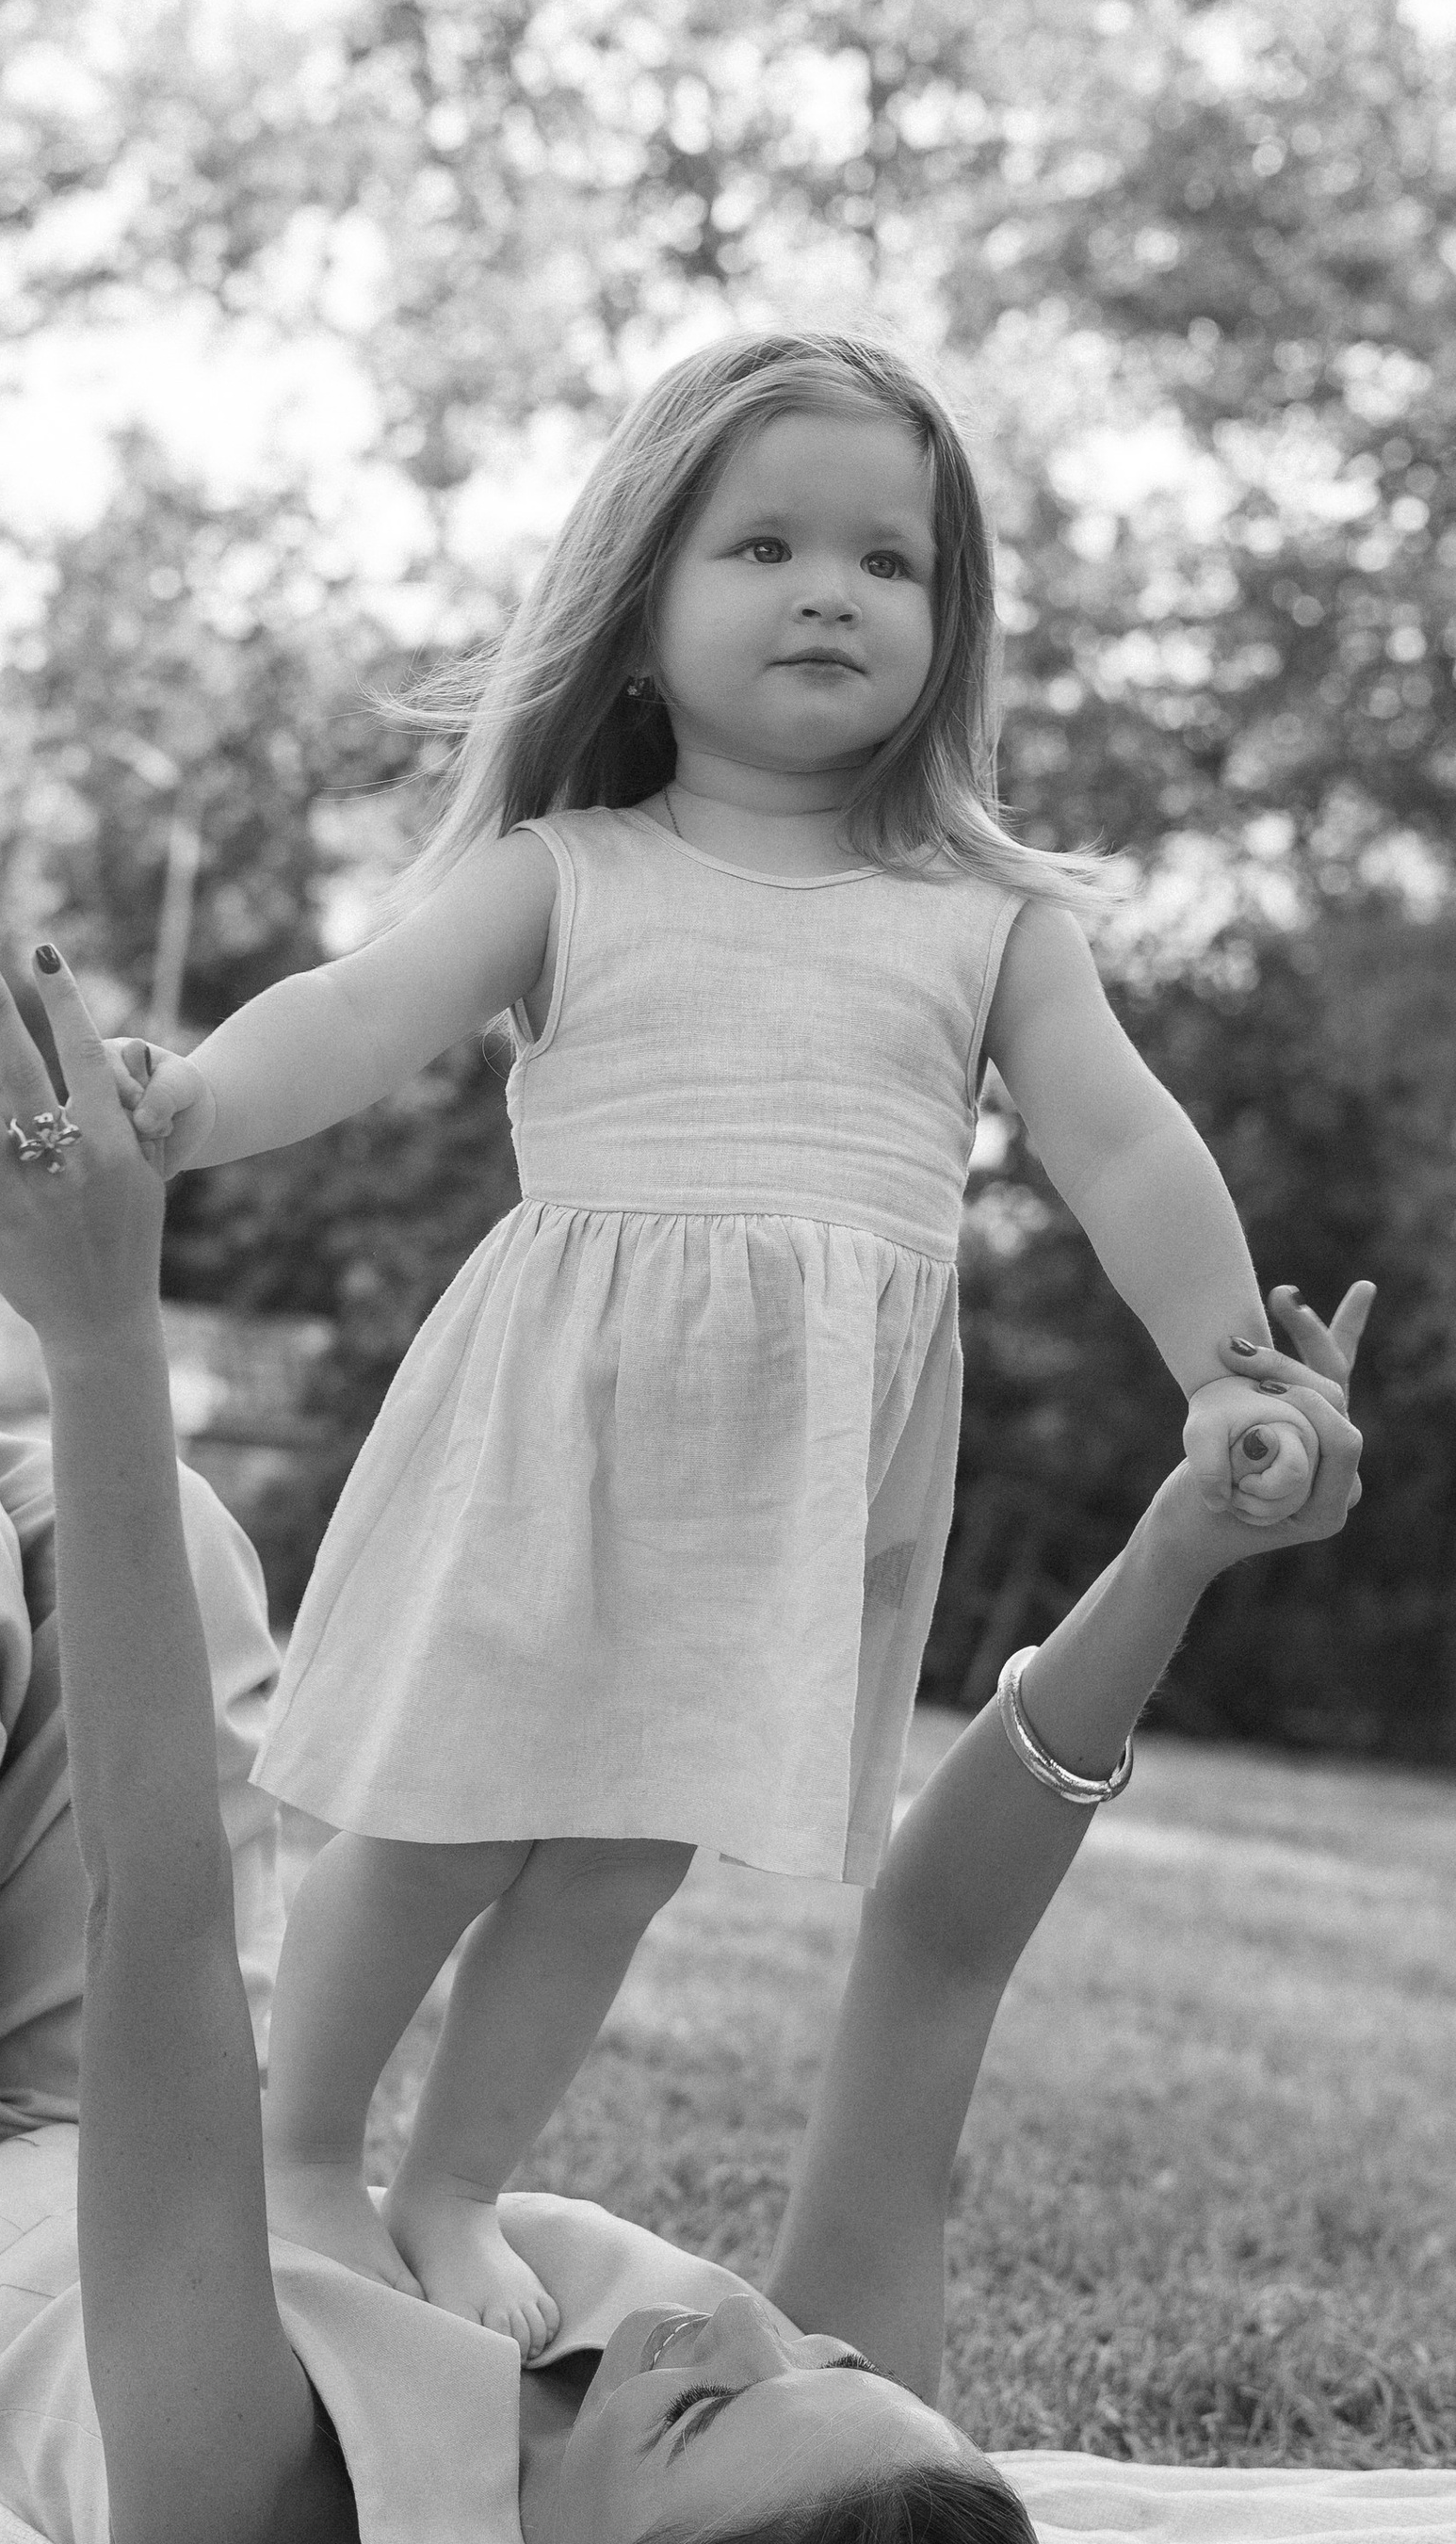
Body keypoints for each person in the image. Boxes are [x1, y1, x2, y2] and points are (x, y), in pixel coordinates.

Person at [0, 707, 1367, 2544]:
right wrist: (1181, 1549)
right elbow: (937, 1958)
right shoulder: (841, 2479)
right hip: (44, 2134)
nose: (724, 2322)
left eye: (703, 2407)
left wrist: (100, 1329)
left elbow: (169, 1904)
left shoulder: (251, 2516)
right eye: (822, 2357)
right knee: (169, 1555)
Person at [122, 329, 1318, 2356]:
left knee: (616, 1862)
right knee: (435, 1819)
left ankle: (450, 2182)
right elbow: (355, 1012)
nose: (828, 591)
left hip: (775, 1488)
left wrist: (1222, 1364)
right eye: (763, 546)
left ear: (948, 621)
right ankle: (302, 2151)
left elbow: (1119, 1143)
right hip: (551, 1431)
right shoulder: (568, 873)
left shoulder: (985, 918)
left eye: (886, 559)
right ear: (640, 603)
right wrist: (190, 1104)